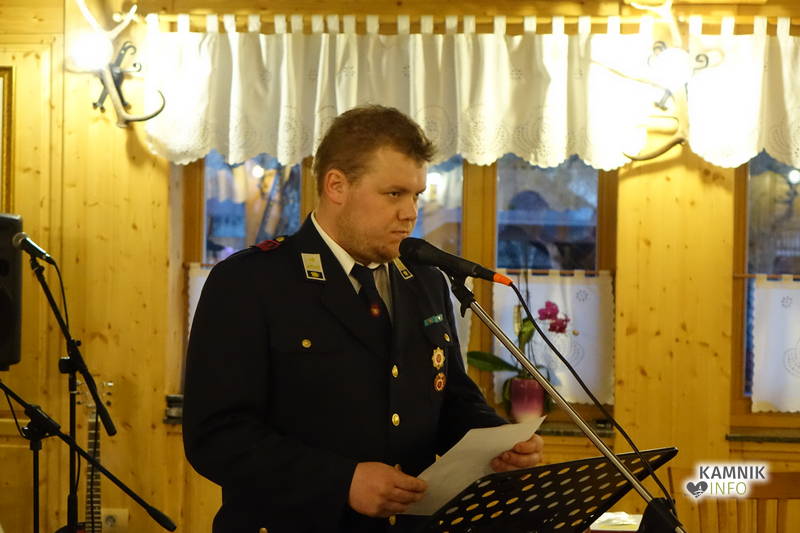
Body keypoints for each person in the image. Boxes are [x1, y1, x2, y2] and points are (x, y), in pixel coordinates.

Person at [183, 105, 544, 532]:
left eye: (416, 195)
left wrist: (497, 443)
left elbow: (449, 400)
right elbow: (216, 436)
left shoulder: (424, 280)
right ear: (337, 185)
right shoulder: (252, 281)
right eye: (394, 194)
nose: (410, 212)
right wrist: (340, 482)